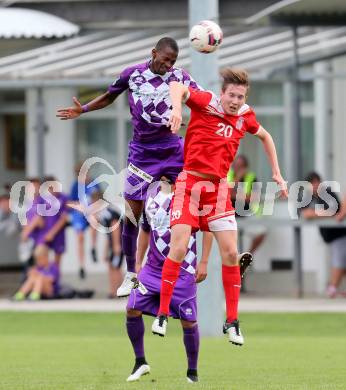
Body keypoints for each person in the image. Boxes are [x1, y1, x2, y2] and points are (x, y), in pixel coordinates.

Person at [151, 68, 287, 345]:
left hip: (217, 190)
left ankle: (232, 322)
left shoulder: (245, 116)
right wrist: (177, 110)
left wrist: (277, 173)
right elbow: (177, 86)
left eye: (240, 96)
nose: (235, 101)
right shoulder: (207, 102)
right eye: (231, 95)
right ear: (222, 92)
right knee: (178, 247)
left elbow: (266, 136)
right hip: (189, 185)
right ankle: (162, 313)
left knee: (231, 252)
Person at [56, 37, 199, 297]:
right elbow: (110, 97)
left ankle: (200, 261)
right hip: (142, 154)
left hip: (172, 150)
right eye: (165, 59)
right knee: (131, 215)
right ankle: (132, 274)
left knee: (191, 205)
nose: (168, 65)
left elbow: (201, 102)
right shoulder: (132, 74)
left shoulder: (180, 77)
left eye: (173, 61)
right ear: (153, 53)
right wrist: (84, 109)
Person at [125, 176, 212, 384]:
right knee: (132, 307)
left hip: (183, 271)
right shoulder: (150, 195)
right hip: (152, 270)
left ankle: (192, 373)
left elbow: (207, 229)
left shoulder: (190, 195)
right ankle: (140, 362)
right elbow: (145, 230)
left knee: (189, 322)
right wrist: (138, 263)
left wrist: (204, 262)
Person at [301, 172, 346, 298]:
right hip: (330, 237)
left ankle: (332, 288)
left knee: (339, 261)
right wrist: (318, 213)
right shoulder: (309, 197)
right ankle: (334, 287)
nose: (315, 186)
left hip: (340, 234)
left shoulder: (328, 193)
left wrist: (315, 213)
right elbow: (305, 213)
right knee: (340, 261)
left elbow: (333, 211)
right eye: (312, 183)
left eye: (316, 182)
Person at [69, 163, 100, 279]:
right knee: (80, 237)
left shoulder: (95, 183)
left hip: (91, 212)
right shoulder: (75, 186)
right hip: (79, 214)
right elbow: (70, 203)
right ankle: (81, 266)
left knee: (94, 219)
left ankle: (93, 247)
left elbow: (100, 199)